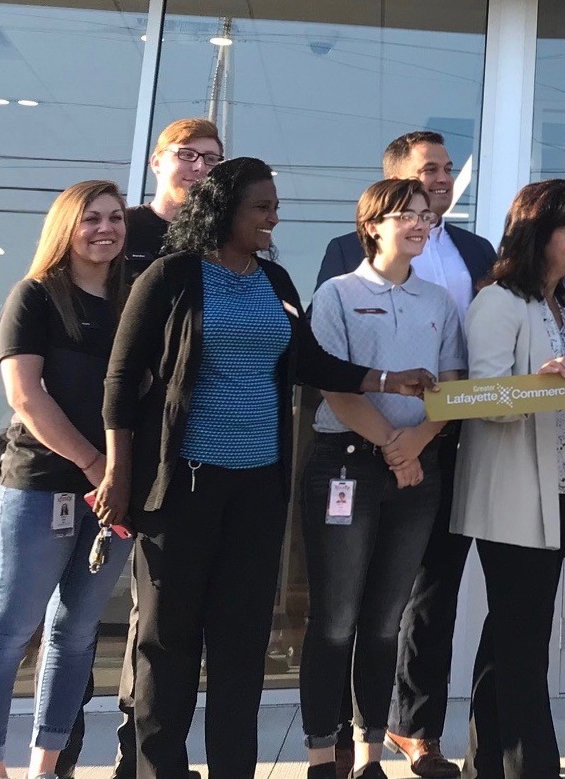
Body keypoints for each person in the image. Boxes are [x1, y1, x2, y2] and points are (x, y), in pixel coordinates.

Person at [99, 158, 436, 779]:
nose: (273, 217)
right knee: (168, 642)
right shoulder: (173, 276)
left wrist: (388, 379)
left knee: (241, 644)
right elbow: (121, 380)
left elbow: (312, 362)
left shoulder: (274, 279)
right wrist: (119, 474)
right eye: (262, 207)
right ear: (225, 210)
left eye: (275, 207)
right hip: (183, 484)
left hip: (258, 487)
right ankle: (158, 768)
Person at [317, 130, 496, 779]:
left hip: (447, 441)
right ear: (394, 179)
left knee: (434, 591)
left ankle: (416, 727)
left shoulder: (477, 250)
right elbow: (330, 363)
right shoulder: (346, 253)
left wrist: (426, 436)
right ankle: (338, 735)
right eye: (430, 170)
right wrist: (391, 444)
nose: (443, 179)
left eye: (448, 169)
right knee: (353, 598)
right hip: (361, 449)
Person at [62, 117, 223, 779]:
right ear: (159, 161)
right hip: (90, 451)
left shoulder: (218, 245)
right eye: (185, 155)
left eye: (211, 160)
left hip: (172, 460)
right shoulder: (121, 231)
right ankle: (59, 755)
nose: (197, 168)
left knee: (153, 621)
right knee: (71, 622)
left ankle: (141, 758)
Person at [0, 180, 136, 779]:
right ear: (67, 225)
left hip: (112, 496)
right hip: (39, 489)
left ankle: (46, 766)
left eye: (115, 218)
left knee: (76, 634)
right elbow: (26, 397)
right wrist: (97, 466)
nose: (106, 229)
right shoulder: (34, 296)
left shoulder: (131, 302)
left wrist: (119, 479)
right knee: (9, 633)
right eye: (91, 218)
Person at [449, 179, 565, 779]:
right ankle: (533, 763)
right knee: (521, 635)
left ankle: (487, 761)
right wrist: (540, 383)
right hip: (509, 496)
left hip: (552, 493)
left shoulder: (555, 306)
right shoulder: (498, 302)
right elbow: (483, 397)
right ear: (539, 234)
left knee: (513, 631)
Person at [125, 118, 224, 270]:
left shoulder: (225, 236)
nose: (200, 167)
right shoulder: (122, 227)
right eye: (187, 154)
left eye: (211, 159)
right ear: (156, 163)